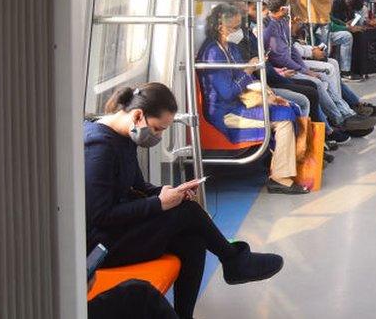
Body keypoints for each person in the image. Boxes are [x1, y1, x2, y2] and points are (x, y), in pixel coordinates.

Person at [85, 83, 284, 319]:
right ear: (138, 116)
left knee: (193, 239)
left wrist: (167, 192)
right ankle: (234, 261)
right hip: (102, 245)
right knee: (186, 212)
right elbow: (100, 216)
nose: (158, 136)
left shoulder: (125, 138)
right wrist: (160, 203)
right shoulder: (99, 148)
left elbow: (139, 187)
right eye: (158, 129)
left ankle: (185, 313)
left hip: (120, 233)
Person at [196, 4, 309, 194]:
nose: (236, 32)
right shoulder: (213, 53)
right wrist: (249, 69)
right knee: (283, 118)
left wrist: (269, 96)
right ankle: (280, 177)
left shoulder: (231, 48)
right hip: (225, 112)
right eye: (233, 28)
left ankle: (289, 161)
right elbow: (227, 92)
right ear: (219, 27)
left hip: (239, 103)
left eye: (238, 27)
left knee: (289, 107)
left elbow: (244, 83)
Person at [261, 0, 376, 133]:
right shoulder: (268, 28)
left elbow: (291, 49)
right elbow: (281, 57)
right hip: (283, 69)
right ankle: (340, 119)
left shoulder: (283, 22)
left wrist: (304, 68)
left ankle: (345, 112)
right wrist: (304, 70)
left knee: (327, 70)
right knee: (318, 82)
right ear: (282, 8)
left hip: (292, 64)